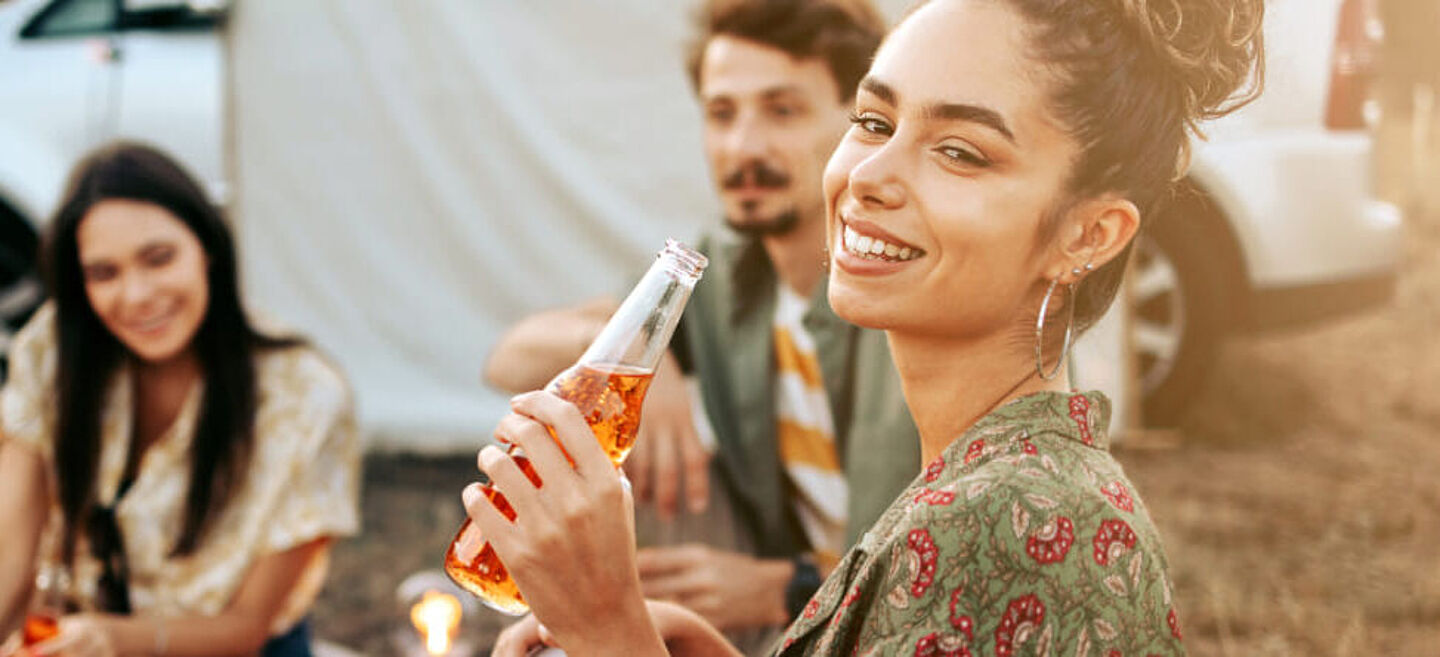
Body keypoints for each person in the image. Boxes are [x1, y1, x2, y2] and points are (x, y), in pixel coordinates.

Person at [470, 0, 1265, 653]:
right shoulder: (984, 477)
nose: (870, 176)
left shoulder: (1009, 523)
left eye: (959, 151)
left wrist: (607, 624)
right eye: (876, 122)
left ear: (1087, 235)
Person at [482, 0, 920, 643]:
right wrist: (622, 362)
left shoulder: (915, 276)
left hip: (905, 608)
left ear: (864, 122)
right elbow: (508, 361)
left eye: (782, 110)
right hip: (773, 598)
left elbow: (956, 535)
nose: (743, 147)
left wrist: (790, 585)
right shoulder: (726, 270)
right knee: (597, 437)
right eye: (721, 114)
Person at [0, 142, 361, 657]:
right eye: (104, 273)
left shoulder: (305, 396)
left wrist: (113, 639)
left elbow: (246, 629)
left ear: (207, 247)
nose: (137, 295)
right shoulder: (53, 348)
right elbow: (10, 557)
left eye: (158, 258)